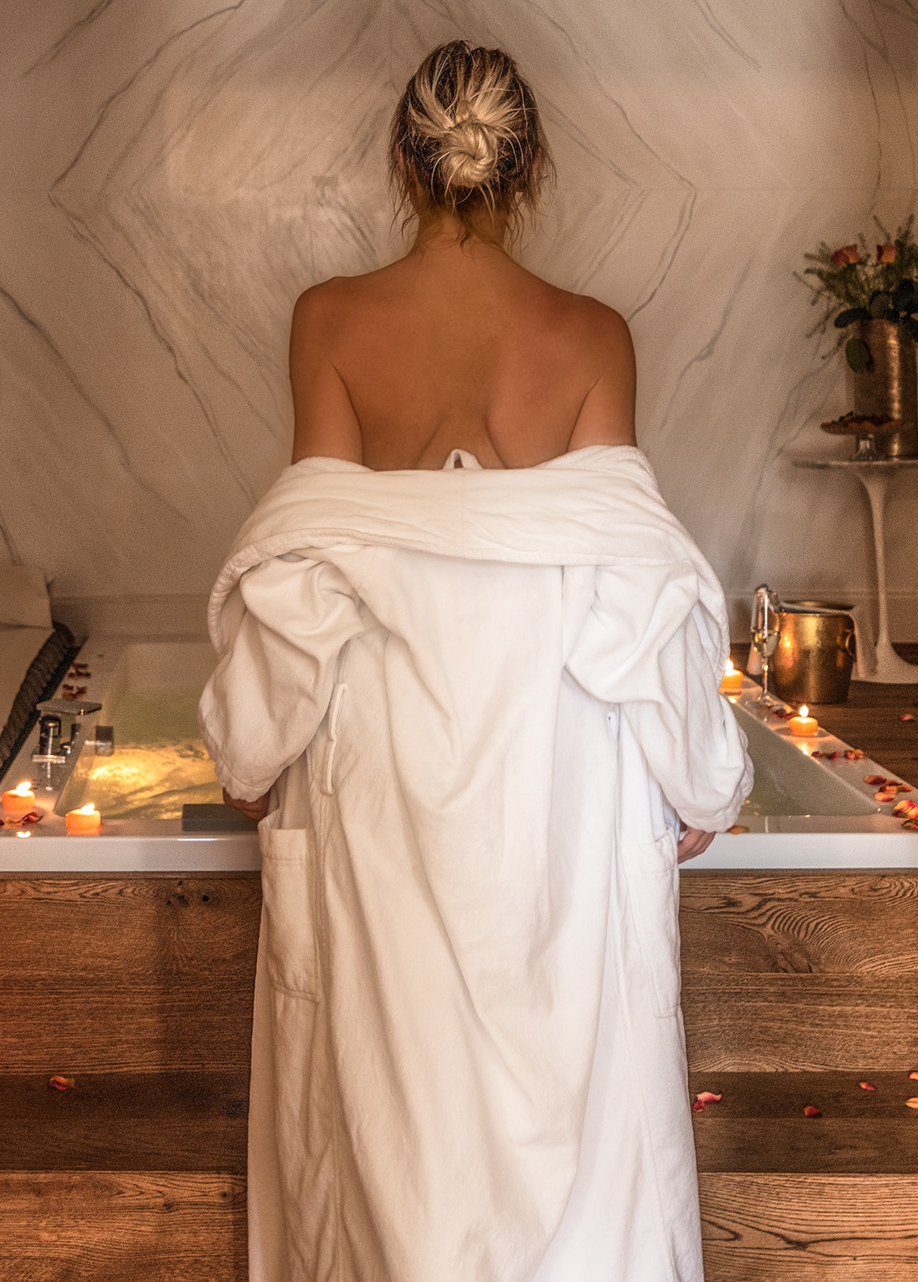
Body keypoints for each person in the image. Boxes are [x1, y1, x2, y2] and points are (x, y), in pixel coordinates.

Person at [199, 40, 752, 1282]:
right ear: (531, 168)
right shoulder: (593, 336)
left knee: (390, 1117)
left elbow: (309, 570)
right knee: (575, 1100)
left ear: (403, 163)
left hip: (384, 767)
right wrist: (699, 779)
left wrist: (251, 748)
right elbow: (626, 575)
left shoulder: (330, 320)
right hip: (559, 769)